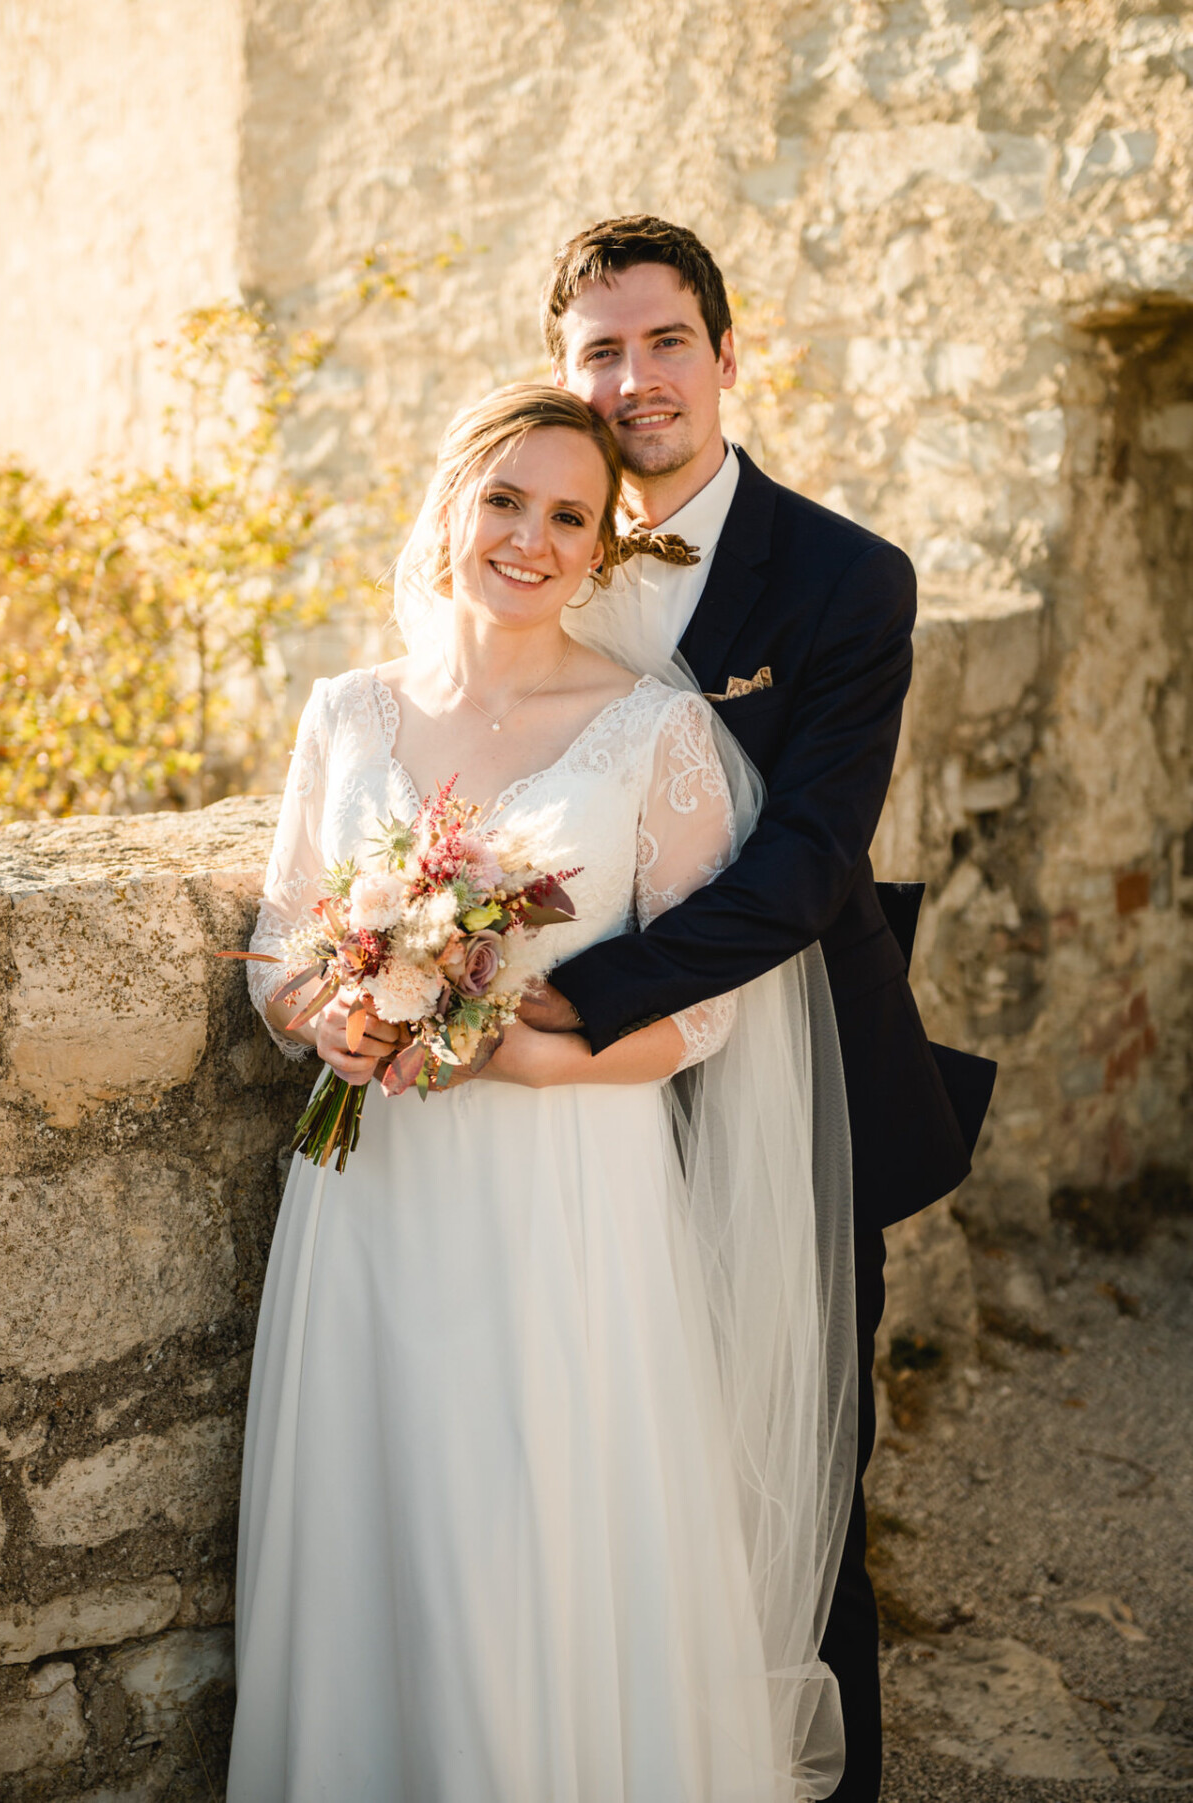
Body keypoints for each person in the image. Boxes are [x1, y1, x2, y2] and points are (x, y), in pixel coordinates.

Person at [227, 383, 859, 1801]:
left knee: (532, 1538)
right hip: (373, 1200)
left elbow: (699, 1018)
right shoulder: (347, 710)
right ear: (453, 497)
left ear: (600, 550)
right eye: (506, 498)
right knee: (378, 1530)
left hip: (565, 1211)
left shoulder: (652, 731)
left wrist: (501, 1047)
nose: (530, 536)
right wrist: (328, 1021)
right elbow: (281, 943)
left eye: (570, 515)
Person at [521, 215, 998, 1803]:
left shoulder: (847, 580)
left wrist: (557, 1017)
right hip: (571, 1137)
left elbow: (803, 872)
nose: (637, 378)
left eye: (667, 342)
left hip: (784, 1088)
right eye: (602, 349)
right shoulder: (534, 550)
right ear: (562, 373)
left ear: (730, 354)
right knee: (594, 1472)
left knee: (794, 1481)